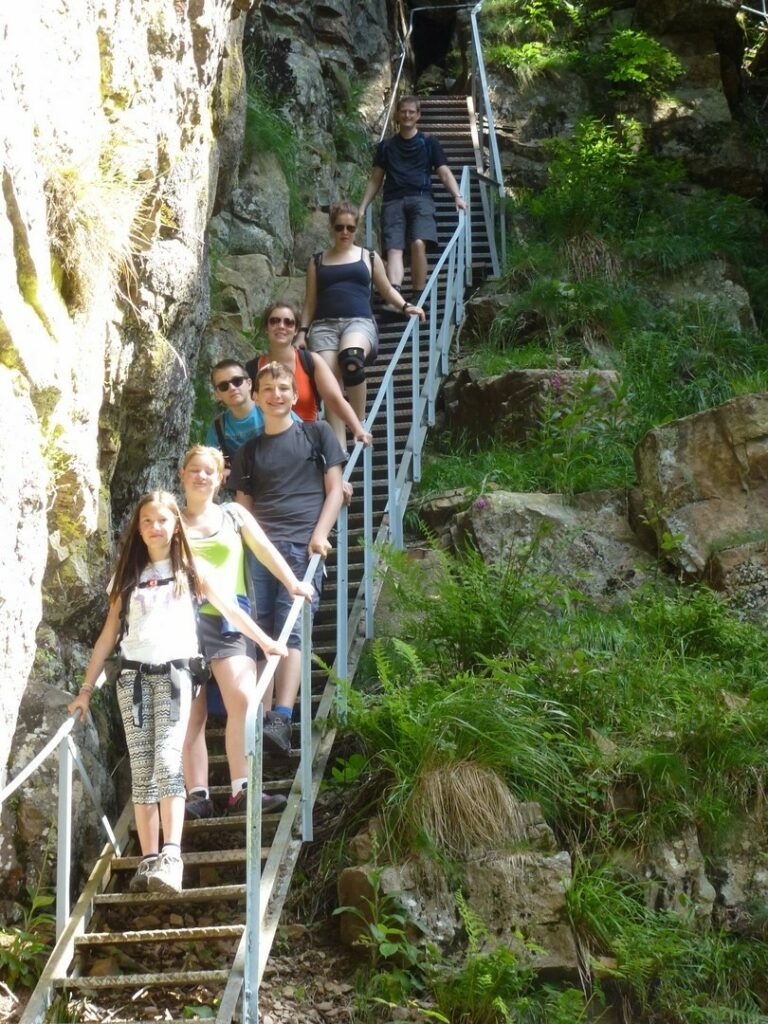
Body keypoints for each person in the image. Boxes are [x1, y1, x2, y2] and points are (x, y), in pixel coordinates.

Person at [68, 491, 288, 895]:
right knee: (143, 770)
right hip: (133, 679)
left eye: (162, 520)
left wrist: (265, 642)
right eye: (147, 521)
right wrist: (85, 690)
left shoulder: (190, 567)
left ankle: (172, 857)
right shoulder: (128, 575)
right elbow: (108, 635)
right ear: (138, 529)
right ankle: (148, 858)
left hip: (176, 676)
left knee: (168, 760)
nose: (155, 527)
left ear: (175, 526)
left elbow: (230, 609)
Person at [179, 445, 315, 820]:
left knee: (242, 698)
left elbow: (265, 549)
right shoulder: (172, 522)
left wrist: (292, 584)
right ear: (182, 475)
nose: (201, 476)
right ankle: (197, 794)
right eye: (195, 470)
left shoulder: (234, 515)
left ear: (221, 478)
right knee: (192, 712)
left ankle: (243, 788)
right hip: (183, 621)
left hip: (231, 620)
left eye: (209, 471)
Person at [229, 362, 346, 758]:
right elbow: (242, 512)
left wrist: (320, 535)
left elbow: (335, 490)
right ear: (256, 397)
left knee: (290, 630)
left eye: (283, 388)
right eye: (268, 389)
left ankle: (282, 716)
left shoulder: (317, 433)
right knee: (260, 631)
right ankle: (260, 717)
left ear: (295, 396)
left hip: (301, 547)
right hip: (260, 550)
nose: (276, 394)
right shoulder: (248, 452)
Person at [298, 200, 425, 449]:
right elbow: (310, 302)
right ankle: (339, 450)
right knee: (330, 384)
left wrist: (405, 306)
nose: (345, 232)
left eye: (350, 228)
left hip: (359, 322)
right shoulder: (317, 261)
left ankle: (358, 423)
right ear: (332, 228)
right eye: (339, 227)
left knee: (352, 358)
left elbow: (386, 289)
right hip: (323, 326)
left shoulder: (369, 256)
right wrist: (302, 332)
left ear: (357, 228)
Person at [358, 95, 467, 300]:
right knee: (394, 248)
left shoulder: (429, 142)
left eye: (411, 112)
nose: (407, 115)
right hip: (393, 200)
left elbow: (444, 172)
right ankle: (395, 295)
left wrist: (457, 196)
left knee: (418, 243)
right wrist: (363, 207)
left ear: (418, 115)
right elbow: (375, 180)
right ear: (397, 115)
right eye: (403, 111)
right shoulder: (386, 146)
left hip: (421, 197)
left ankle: (418, 295)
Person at [248, 302, 373, 449]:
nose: (281, 326)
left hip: (307, 444)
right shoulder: (253, 368)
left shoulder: (310, 361)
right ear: (266, 327)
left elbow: (334, 398)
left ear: (296, 330)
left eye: (288, 322)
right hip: (268, 446)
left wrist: (357, 428)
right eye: (274, 321)